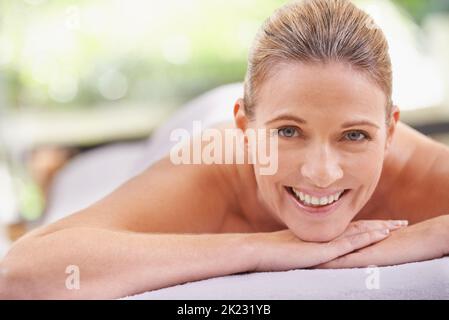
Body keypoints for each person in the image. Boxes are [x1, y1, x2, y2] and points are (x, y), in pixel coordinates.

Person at [1, 0, 448, 299]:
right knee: (84, 176)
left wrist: (423, 237)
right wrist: (261, 248)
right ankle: (54, 165)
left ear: (390, 130)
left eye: (355, 136)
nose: (321, 174)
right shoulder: (211, 169)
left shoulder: (425, 174)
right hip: (194, 122)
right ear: (245, 128)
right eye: (288, 132)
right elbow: (20, 274)